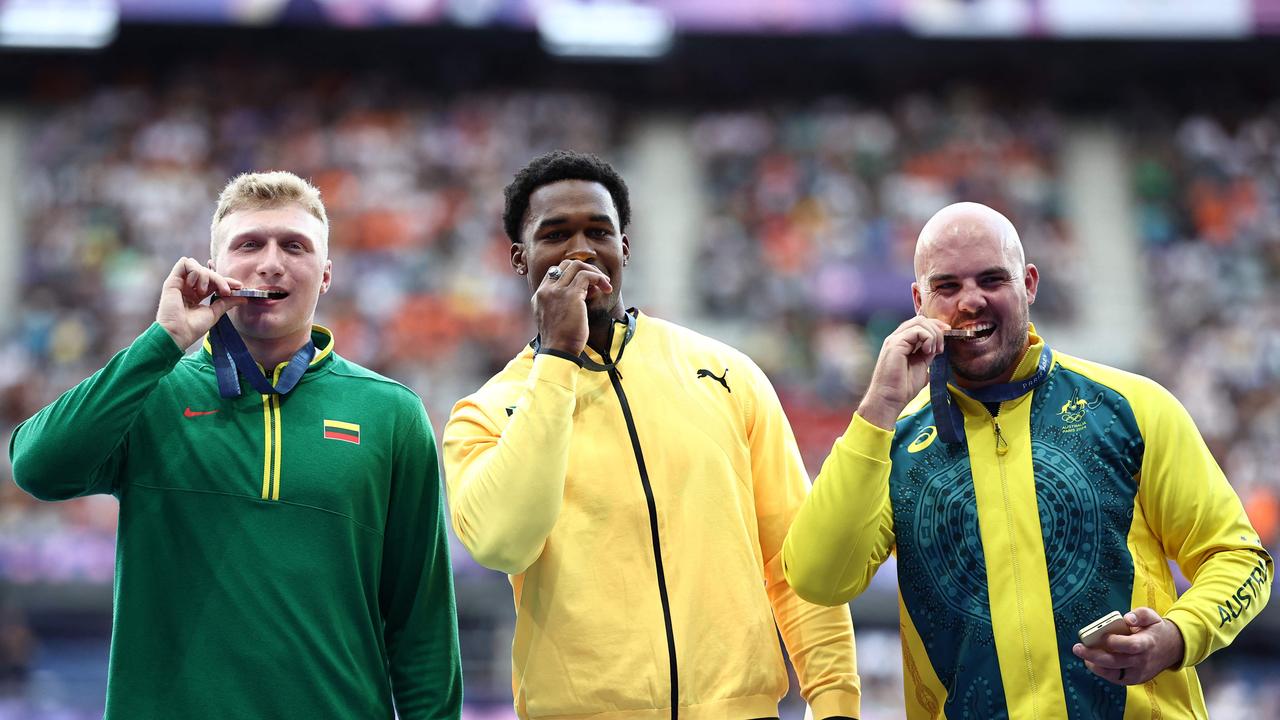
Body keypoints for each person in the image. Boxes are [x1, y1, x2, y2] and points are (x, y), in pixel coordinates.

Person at [782, 201, 1273, 719]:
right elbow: (819, 578)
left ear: (1030, 283)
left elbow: (1240, 560)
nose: (971, 301)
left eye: (992, 279)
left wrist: (1177, 635)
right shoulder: (894, 441)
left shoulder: (1133, 408)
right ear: (918, 301)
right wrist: (878, 409)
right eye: (947, 287)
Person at [9, 171, 462, 719]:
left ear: (325, 276)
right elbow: (37, 467)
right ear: (215, 272)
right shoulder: (152, 390)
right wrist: (164, 341)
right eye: (249, 244)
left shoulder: (391, 413)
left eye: (295, 246)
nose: (271, 262)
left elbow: (422, 622)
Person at [442, 150, 860, 720]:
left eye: (599, 231)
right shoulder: (485, 414)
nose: (582, 250)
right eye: (556, 234)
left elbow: (794, 557)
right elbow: (502, 542)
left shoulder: (727, 374)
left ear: (625, 248)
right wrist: (558, 359)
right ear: (521, 258)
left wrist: (835, 699)